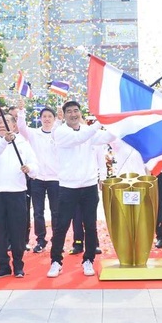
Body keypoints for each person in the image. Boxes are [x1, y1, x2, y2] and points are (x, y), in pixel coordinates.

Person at [47, 101, 113, 278]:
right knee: (61, 226)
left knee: (90, 226)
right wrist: (99, 121)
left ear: (80, 113)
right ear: (64, 115)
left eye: (76, 111)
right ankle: (56, 261)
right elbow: (79, 139)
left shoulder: (87, 131)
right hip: (68, 187)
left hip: (89, 186)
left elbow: (108, 137)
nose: (73, 114)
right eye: (69, 112)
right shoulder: (60, 132)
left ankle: (88, 260)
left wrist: (117, 120)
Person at [0, 113, 38, 278]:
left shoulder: (23, 143)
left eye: (7, 121)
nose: (2, 124)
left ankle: (18, 265)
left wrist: (29, 168)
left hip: (17, 192)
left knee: (18, 231)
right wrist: (4, 141)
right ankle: (3, 266)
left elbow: (35, 165)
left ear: (15, 125)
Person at [17, 106, 59, 253]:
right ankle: (41, 240)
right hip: (37, 178)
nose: (47, 119)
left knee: (56, 211)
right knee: (38, 212)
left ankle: (57, 240)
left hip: (55, 178)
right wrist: (22, 111)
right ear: (40, 119)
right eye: (44, 116)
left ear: (54, 119)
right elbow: (21, 127)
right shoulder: (34, 134)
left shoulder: (59, 134)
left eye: (50, 116)